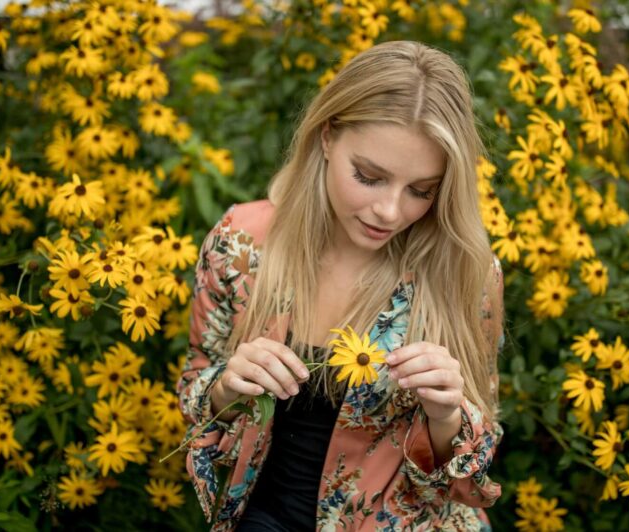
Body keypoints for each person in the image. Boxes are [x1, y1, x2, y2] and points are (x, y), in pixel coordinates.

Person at [177, 40, 505, 531]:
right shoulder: (241, 246)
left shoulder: (464, 271)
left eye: (421, 190)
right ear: (328, 137)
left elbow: (469, 477)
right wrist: (227, 387)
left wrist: (445, 417)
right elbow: (194, 395)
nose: (390, 212)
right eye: (369, 177)